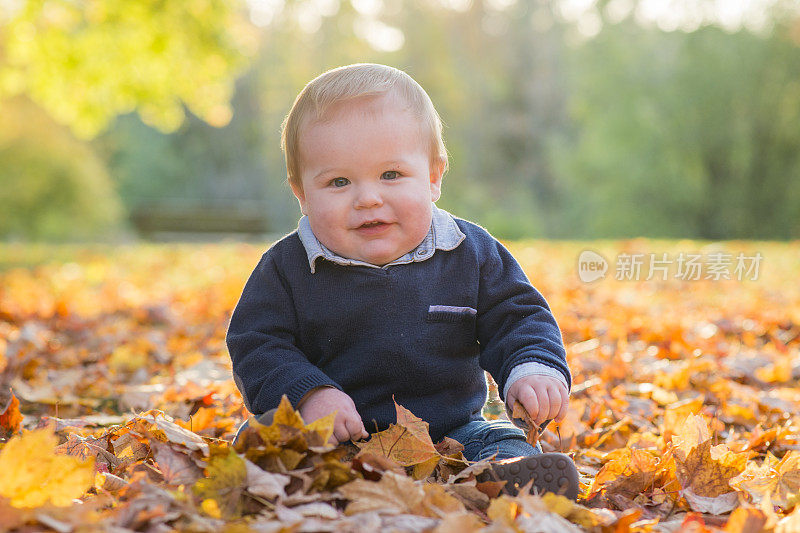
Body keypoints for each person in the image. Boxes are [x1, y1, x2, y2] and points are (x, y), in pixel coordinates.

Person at [226, 63, 578, 498]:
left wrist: (532, 368)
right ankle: (292, 483)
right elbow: (256, 344)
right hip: (333, 436)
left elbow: (518, 317)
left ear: (433, 177)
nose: (368, 198)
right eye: (338, 182)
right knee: (266, 440)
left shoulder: (469, 252)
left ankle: (504, 477)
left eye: (390, 175)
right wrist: (308, 395)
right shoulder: (287, 268)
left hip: (450, 434)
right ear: (301, 193)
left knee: (498, 439)